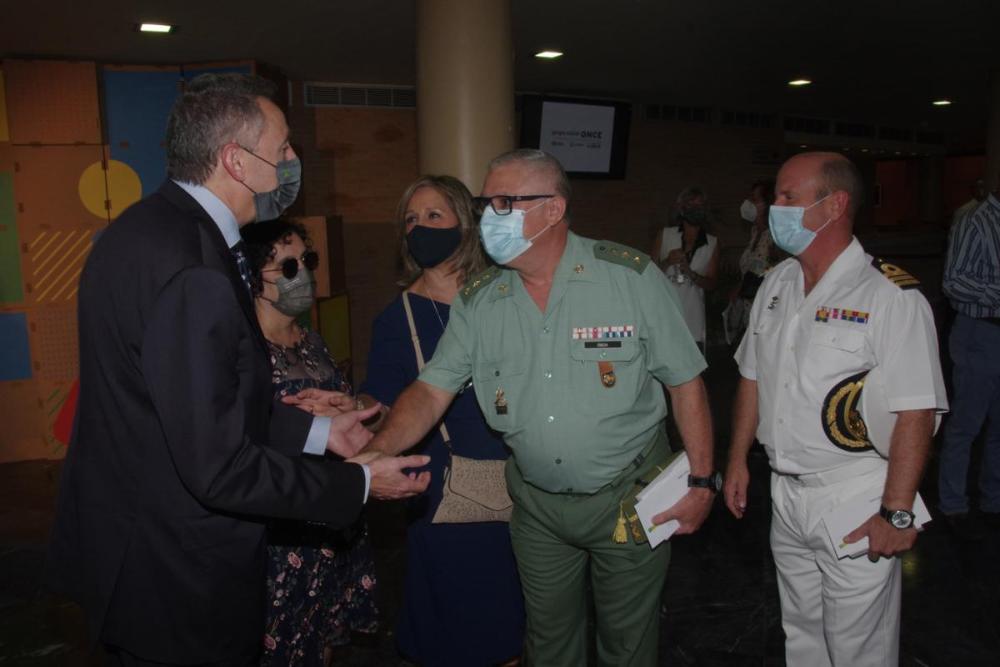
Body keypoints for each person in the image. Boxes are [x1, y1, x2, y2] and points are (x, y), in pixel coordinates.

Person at [45, 73, 429, 665]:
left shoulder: (140, 229)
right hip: (178, 571)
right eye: (282, 150)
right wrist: (357, 481)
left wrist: (320, 433)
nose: (294, 162)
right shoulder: (194, 266)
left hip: (130, 546)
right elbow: (216, 465)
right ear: (235, 160)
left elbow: (192, 401)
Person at [351, 149, 715, 666]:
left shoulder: (628, 278)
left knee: (628, 643)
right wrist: (375, 450)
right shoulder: (482, 301)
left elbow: (686, 381)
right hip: (538, 508)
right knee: (548, 643)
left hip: (629, 497)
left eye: (505, 201)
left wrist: (701, 480)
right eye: (485, 203)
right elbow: (431, 390)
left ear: (553, 209)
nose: (489, 216)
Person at [724, 152, 948, 667]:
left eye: (787, 197)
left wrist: (897, 510)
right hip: (787, 493)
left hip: (856, 492)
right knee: (801, 635)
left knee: (857, 648)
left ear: (835, 205)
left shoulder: (889, 295)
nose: (771, 209)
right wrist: (737, 459)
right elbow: (753, 376)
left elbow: (916, 410)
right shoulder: (778, 285)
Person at [358, 175, 525, 666]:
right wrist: (358, 407)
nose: (420, 227)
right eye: (411, 219)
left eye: (434, 215)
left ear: (465, 223)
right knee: (463, 617)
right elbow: (385, 399)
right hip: (448, 485)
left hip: (521, 471)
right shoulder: (398, 318)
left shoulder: (505, 294)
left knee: (516, 616)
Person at [242, 220, 379, 665]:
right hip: (282, 526)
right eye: (287, 265)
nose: (302, 273)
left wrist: (347, 405)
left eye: (308, 261)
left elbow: (346, 410)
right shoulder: (243, 350)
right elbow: (238, 435)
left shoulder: (313, 340)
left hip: (331, 517)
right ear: (251, 274)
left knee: (321, 642)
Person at [938, 175, 1000, 540]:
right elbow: (953, 281)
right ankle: (953, 503)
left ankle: (993, 500)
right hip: (981, 332)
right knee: (966, 424)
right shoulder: (975, 221)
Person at [651, 186, 720, 348]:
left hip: (692, 319)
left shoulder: (712, 243)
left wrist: (691, 273)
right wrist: (667, 261)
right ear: (681, 208)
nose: (696, 208)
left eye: (700, 205)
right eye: (691, 204)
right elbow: (648, 274)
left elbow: (712, 284)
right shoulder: (665, 235)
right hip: (664, 316)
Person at [725, 180, 781, 345]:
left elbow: (767, 267)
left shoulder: (775, 235)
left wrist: (742, 286)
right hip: (748, 307)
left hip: (766, 307)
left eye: (755, 199)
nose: (749, 203)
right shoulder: (755, 231)